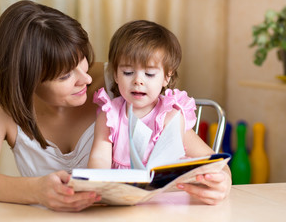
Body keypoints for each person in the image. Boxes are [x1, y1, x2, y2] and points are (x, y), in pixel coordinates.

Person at [0, 0, 105, 212]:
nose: (86, 79)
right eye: (65, 76)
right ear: (27, 81)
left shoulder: (121, 82)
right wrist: (36, 190)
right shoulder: (0, 106)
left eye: (81, 60)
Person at [88, 20, 231, 205]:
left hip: (169, 203)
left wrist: (222, 179)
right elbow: (99, 158)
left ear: (166, 77)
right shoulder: (109, 115)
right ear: (115, 74)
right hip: (120, 202)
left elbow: (212, 160)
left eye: (149, 74)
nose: (138, 80)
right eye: (128, 72)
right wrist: (98, 186)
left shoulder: (170, 115)